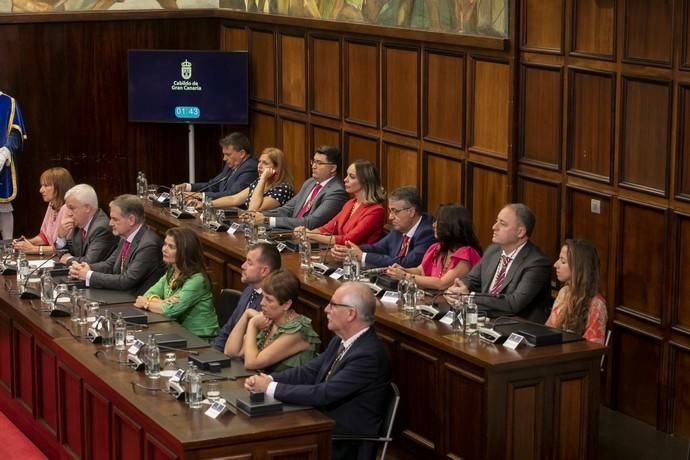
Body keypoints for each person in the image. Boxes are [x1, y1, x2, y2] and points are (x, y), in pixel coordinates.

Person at [244, 282, 391, 460]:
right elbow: (309, 371)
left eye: (333, 305)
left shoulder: (368, 355)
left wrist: (269, 388)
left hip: (344, 442)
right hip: (320, 422)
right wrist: (267, 378)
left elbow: (324, 393)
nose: (326, 309)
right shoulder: (340, 340)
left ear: (351, 313)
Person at [447, 203, 552, 322]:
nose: (494, 227)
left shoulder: (537, 263)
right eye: (496, 221)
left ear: (520, 232)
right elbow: (472, 279)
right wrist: (459, 289)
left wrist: (469, 297)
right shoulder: (493, 250)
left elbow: (513, 304)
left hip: (516, 326)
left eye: (502, 224)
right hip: (484, 318)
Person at [223, 270, 320, 372]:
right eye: (263, 296)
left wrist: (252, 324)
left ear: (286, 304)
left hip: (282, 386)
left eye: (269, 300)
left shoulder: (297, 331)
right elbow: (230, 352)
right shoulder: (269, 319)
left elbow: (251, 363)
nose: (262, 303)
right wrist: (247, 313)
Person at [68, 194, 166, 295]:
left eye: (115, 219)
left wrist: (89, 275)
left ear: (131, 220)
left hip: (135, 300)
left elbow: (126, 281)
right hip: (121, 295)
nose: (110, 223)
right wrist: (85, 268)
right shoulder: (125, 237)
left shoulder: (149, 245)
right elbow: (110, 265)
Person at [134, 227, 219, 338]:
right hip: (176, 331)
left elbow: (170, 311)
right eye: (165, 244)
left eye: (171, 247)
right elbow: (148, 294)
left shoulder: (197, 280)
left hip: (200, 339)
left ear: (185, 251)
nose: (164, 249)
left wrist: (147, 303)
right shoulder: (171, 271)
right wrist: (165, 302)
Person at [246, 145, 348, 230]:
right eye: (313, 161)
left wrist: (267, 220)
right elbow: (287, 209)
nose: (313, 166)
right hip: (290, 232)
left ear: (333, 168)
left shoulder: (337, 192)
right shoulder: (310, 182)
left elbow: (311, 222)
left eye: (319, 163)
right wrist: (257, 215)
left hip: (309, 240)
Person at [386, 204, 482, 290]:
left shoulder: (467, 254)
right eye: (435, 221)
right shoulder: (436, 247)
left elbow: (442, 284)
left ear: (453, 226)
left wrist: (404, 276)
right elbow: (420, 271)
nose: (434, 225)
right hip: (430, 302)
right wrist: (402, 270)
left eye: (439, 222)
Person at [335, 186, 434, 268]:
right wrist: (350, 250)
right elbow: (378, 247)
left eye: (395, 211)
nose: (390, 217)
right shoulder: (400, 227)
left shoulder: (427, 233)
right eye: (390, 211)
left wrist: (363, 256)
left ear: (411, 212)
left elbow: (407, 263)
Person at [294, 159, 385, 246]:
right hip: (340, 254)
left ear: (366, 182)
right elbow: (328, 228)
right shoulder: (351, 203)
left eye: (352, 177)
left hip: (358, 258)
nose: (345, 179)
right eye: (347, 175)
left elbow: (348, 239)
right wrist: (305, 232)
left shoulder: (376, 211)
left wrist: (310, 235)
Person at [212, 242, 281, 351]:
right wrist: (213, 353)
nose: (243, 266)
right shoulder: (249, 290)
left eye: (249, 263)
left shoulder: (271, 304)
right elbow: (228, 329)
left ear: (264, 271)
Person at [546, 239, 607, 344]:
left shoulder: (596, 305)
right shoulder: (564, 292)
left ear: (578, 267)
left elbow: (591, 351)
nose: (556, 264)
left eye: (563, 261)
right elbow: (548, 330)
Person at [175, 132, 257, 200]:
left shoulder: (250, 168)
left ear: (242, 153)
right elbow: (213, 185)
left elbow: (232, 194)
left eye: (228, 154)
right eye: (224, 154)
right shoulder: (231, 165)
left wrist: (197, 195)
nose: (224, 158)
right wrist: (188, 187)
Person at [210, 147, 294, 211]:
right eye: (259, 161)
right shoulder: (260, 182)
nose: (259, 166)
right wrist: (207, 204)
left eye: (265, 163)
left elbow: (253, 209)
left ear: (276, 168)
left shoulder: (283, 189)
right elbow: (234, 199)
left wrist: (263, 179)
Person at [13, 167, 74, 255]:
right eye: (42, 186)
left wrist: (34, 249)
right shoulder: (51, 204)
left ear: (59, 187)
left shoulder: (68, 209)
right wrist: (26, 243)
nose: (41, 190)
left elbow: (65, 248)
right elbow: (45, 236)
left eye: (46, 186)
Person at [55, 183, 118, 266]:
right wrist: (61, 237)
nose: (69, 214)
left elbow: (89, 262)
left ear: (87, 208)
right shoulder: (79, 224)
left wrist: (68, 259)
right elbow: (66, 253)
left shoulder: (101, 228)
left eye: (72, 208)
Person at [0, 91, 27, 239]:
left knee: (3, 208)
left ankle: (7, 246)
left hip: (1, 164)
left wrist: (5, 152)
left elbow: (16, 133)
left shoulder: (8, 103)